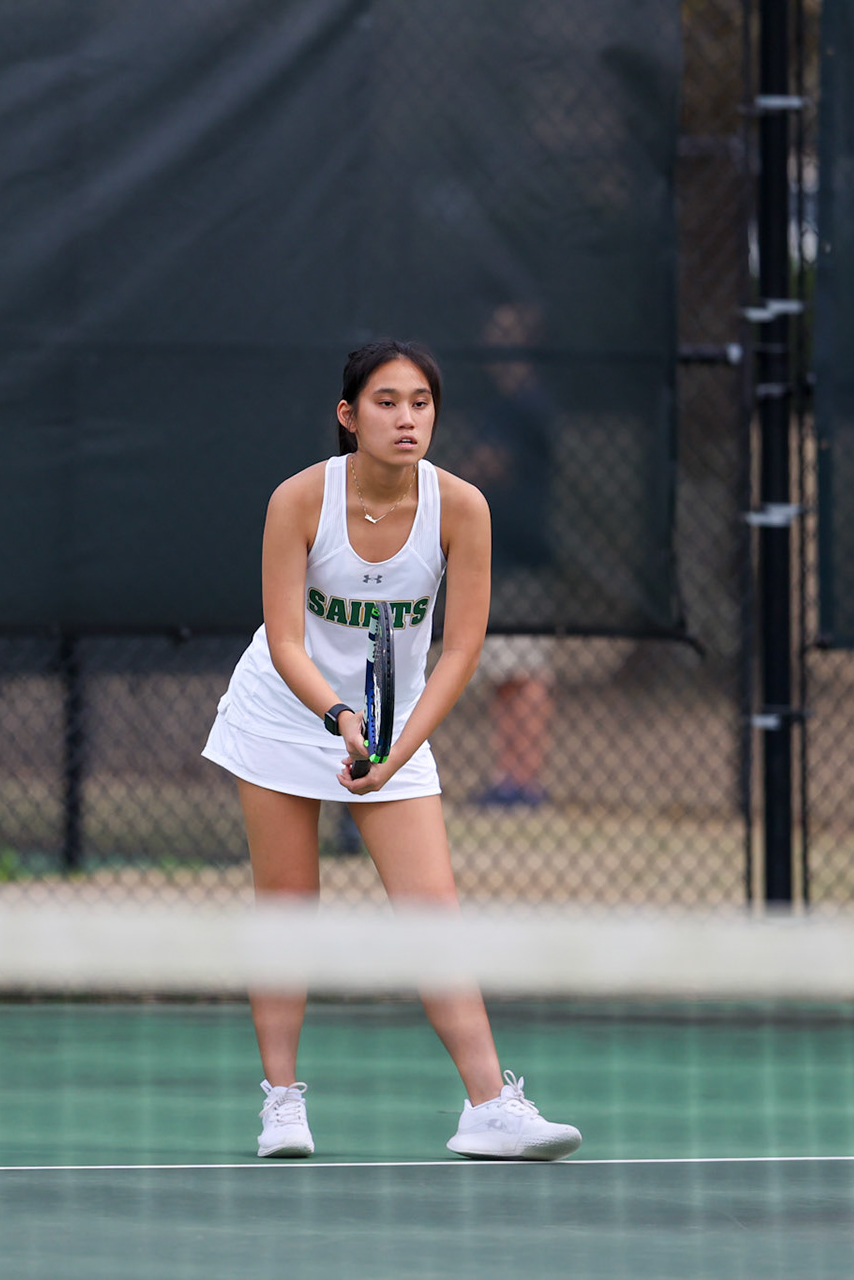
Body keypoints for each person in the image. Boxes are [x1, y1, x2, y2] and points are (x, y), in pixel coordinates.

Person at [201, 339, 581, 1162]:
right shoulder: (299, 501)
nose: (406, 418)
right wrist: (339, 716)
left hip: (393, 727)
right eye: (385, 402)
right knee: (289, 907)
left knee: (433, 914)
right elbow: (285, 638)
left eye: (420, 403)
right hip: (283, 711)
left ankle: (489, 1107)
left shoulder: (464, 509)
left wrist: (398, 745)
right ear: (349, 415)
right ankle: (282, 1103)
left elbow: (461, 650)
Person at [454, 303, 556, 807]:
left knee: (527, 667)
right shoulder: (501, 405)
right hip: (497, 558)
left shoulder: (523, 406)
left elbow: (489, 466)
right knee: (501, 669)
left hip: (523, 554)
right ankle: (508, 776)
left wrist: (440, 482)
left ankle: (526, 780)